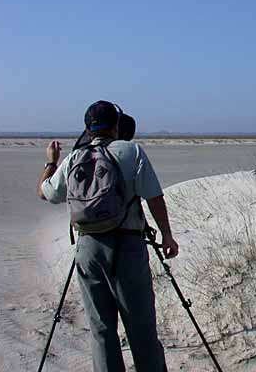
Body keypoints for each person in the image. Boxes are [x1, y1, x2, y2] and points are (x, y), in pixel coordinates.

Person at [37, 100, 179, 372]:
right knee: (141, 328)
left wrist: (50, 161)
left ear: (88, 129)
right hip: (127, 246)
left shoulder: (74, 159)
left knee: (101, 329)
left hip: (88, 249)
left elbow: (46, 192)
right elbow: (154, 196)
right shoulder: (131, 152)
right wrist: (167, 236)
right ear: (117, 125)